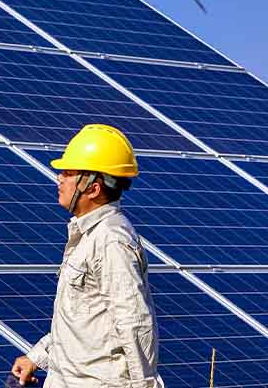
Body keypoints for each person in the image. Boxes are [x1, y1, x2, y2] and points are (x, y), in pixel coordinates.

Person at [11, 124, 163, 388]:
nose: (59, 177)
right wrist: (37, 357)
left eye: (68, 173)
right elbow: (83, 320)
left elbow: (134, 323)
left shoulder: (111, 241)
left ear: (93, 189)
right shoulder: (88, 235)